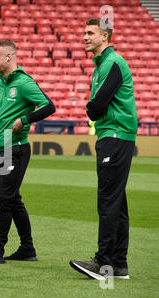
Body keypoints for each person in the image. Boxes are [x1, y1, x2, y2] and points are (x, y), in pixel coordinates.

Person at [70, 18, 137, 280]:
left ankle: (104, 263)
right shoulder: (103, 65)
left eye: (90, 33)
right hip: (115, 135)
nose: (84, 37)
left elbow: (96, 107)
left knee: (108, 199)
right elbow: (96, 106)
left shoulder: (112, 63)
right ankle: (118, 264)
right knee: (117, 202)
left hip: (115, 135)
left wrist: (91, 108)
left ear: (105, 37)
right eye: (84, 32)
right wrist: (93, 107)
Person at [0, 40, 55, 264]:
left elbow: (49, 106)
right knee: (12, 200)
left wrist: (25, 119)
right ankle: (28, 249)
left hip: (17, 149)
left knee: (5, 200)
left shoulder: (24, 83)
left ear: (8, 57)